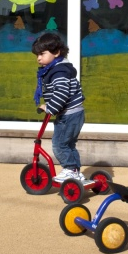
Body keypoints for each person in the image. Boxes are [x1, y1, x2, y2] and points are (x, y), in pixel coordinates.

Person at [31, 32, 86, 182]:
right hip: (75, 113)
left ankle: (69, 169)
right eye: (37, 55)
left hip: (69, 115)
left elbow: (62, 92)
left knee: (59, 144)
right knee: (69, 144)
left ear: (56, 52)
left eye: (42, 54)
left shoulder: (58, 72)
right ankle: (75, 172)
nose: (39, 58)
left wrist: (50, 108)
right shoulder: (58, 68)